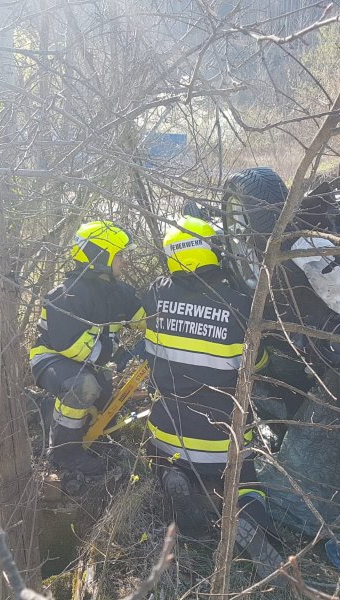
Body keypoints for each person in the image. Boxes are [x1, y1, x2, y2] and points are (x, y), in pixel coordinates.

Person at [140, 216, 283, 580]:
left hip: (166, 431)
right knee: (245, 481)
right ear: (210, 251)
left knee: (167, 459)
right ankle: (249, 518)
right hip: (220, 438)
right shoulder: (238, 304)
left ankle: (175, 478)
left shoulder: (155, 294)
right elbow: (258, 365)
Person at [30, 221, 143, 476]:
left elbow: (145, 317)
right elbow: (72, 347)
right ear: (100, 256)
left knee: (103, 396)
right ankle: (63, 454)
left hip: (88, 362)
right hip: (51, 359)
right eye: (120, 255)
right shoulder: (66, 294)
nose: (124, 261)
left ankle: (54, 416)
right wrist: (119, 354)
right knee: (83, 386)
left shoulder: (117, 291)